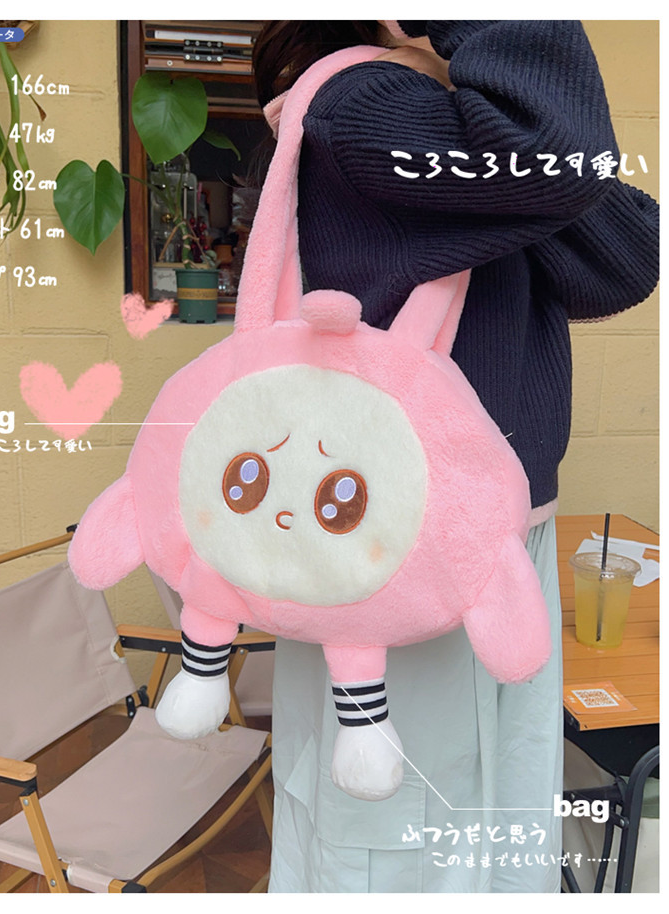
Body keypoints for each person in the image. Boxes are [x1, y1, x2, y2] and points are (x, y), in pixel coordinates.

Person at [250, 20, 659, 893]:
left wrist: (486, 103)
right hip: (397, 547)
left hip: (488, 534)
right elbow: (562, 161)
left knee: (494, 816)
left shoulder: (473, 130)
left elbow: (628, 258)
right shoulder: (368, 102)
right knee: (404, 846)